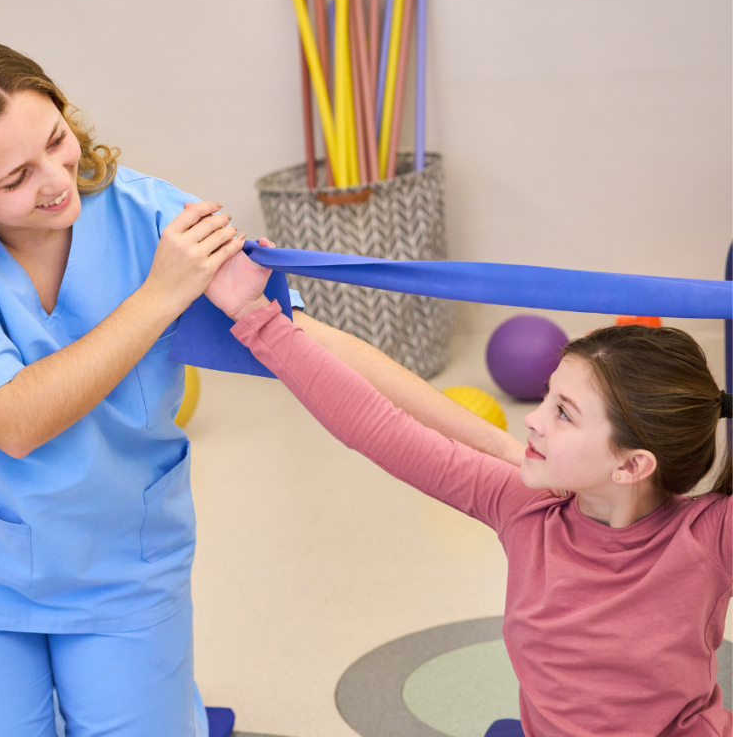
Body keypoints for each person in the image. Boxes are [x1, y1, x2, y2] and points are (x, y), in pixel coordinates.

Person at [0, 35, 523, 737]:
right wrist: (160, 297)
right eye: (14, 178)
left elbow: (316, 352)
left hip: (120, 569)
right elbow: (14, 421)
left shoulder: (152, 221)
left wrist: (506, 455)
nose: (54, 179)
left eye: (55, 138)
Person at [209, 241, 732, 737]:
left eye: (564, 414)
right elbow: (378, 427)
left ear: (632, 465)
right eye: (547, 397)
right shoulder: (525, 507)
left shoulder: (709, 539)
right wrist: (254, 314)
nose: (532, 420)